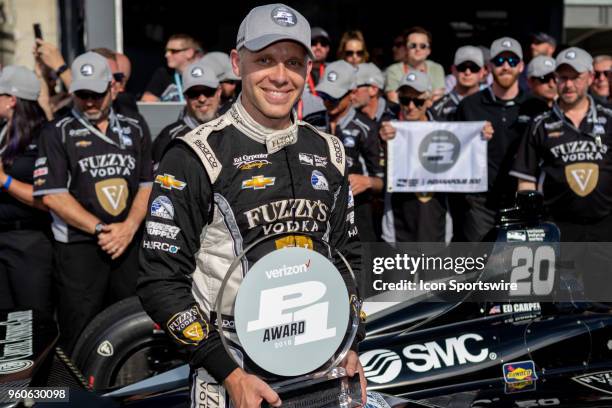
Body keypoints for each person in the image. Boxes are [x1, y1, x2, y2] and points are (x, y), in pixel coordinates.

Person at [137, 4, 366, 408]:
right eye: (264, 60)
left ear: (308, 71)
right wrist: (230, 374)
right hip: (234, 371)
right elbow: (160, 280)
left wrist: (351, 342)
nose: (280, 76)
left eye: (293, 62)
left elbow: (348, 256)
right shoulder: (196, 154)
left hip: (323, 365)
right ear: (236, 62)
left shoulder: (330, 151)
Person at [33, 51, 153, 353]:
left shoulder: (134, 126)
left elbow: (146, 185)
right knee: (81, 331)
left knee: (132, 328)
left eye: (96, 94)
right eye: (82, 94)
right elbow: (52, 194)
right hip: (79, 247)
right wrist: (101, 228)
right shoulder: (56, 132)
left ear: (112, 88)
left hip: (127, 243)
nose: (89, 102)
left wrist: (128, 228)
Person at [511, 47, 612, 294]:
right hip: (559, 229)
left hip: (605, 227)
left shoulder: (610, 120)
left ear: (589, 77)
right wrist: (532, 230)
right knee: (561, 304)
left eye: (575, 77)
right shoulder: (540, 125)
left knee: (604, 304)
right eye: (562, 78)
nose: (568, 85)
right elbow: (526, 182)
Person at [451, 36, 548, 242]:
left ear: (521, 66)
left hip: (521, 201)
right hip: (479, 204)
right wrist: (471, 135)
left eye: (512, 61)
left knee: (516, 269)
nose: (505, 66)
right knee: (477, 268)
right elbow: (451, 150)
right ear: (489, 67)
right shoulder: (469, 105)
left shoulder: (536, 106)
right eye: (499, 61)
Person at [0, 66, 53, 313]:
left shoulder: (44, 136)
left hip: (29, 240)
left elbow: (49, 197)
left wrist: (4, 180)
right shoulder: (3, 131)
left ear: (11, 100)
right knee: (5, 322)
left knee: (30, 320)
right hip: (3, 236)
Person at [316, 60, 384, 242]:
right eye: (324, 95)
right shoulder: (310, 123)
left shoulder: (367, 128)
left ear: (352, 93)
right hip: (318, 216)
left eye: (334, 96)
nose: (328, 102)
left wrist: (367, 181)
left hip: (358, 216)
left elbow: (385, 182)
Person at [380, 71, 448, 242]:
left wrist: (482, 134)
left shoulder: (445, 130)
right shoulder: (386, 128)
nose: (410, 106)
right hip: (397, 228)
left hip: (436, 226)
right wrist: (383, 142)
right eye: (405, 100)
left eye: (418, 101)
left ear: (429, 100)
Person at [152, 60, 221, 165]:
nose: (202, 99)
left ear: (219, 92)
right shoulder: (169, 137)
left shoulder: (233, 131)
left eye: (208, 92)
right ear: (185, 97)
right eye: (194, 93)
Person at [384, 27, 446, 103]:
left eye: (422, 46)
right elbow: (393, 99)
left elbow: (438, 98)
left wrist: (407, 98)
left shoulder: (436, 68)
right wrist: (425, 98)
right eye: (413, 45)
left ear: (429, 50)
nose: (418, 49)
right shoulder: (393, 70)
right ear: (406, 48)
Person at [141, 33, 202, 102]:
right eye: (166, 51)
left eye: (173, 51)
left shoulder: (205, 74)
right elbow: (146, 104)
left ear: (189, 53)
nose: (166, 55)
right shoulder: (163, 74)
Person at [431, 46, 485, 121]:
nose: (467, 72)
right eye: (462, 67)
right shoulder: (437, 108)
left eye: (474, 68)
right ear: (453, 70)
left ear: (482, 72)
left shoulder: (492, 105)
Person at [308, 27, 331, 92]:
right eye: (313, 43)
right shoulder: (298, 70)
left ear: (328, 48)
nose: (318, 47)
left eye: (323, 43)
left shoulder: (335, 71)